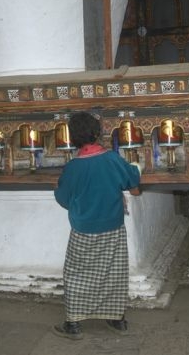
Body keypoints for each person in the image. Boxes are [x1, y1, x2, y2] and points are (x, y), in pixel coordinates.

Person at [52, 111, 142, 340]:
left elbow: (63, 199)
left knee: (75, 274)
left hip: (83, 229)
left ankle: (73, 323)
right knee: (114, 271)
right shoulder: (111, 158)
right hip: (112, 226)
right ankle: (116, 318)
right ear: (98, 133)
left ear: (72, 138)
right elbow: (131, 178)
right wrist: (136, 167)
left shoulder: (73, 168)